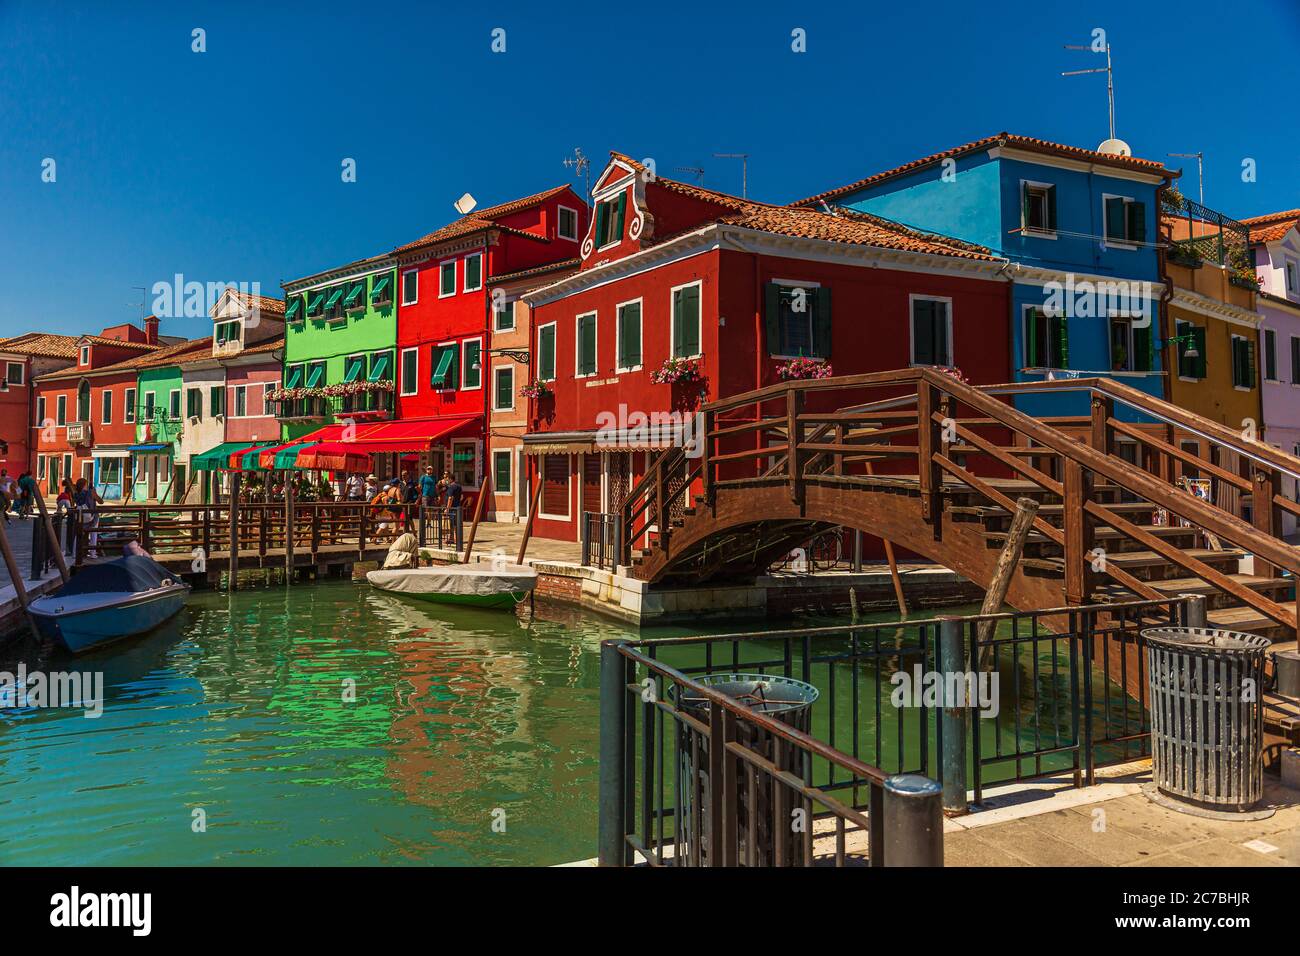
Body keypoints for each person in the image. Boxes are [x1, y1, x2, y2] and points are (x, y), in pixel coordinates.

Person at [73, 477, 104, 558]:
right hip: (90, 517)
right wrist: (94, 491)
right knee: (94, 532)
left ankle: (74, 552)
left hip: (80, 517)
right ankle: (92, 553)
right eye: (86, 484)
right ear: (84, 485)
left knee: (78, 534)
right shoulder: (90, 492)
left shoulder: (76, 493)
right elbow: (101, 501)